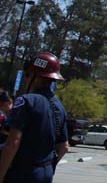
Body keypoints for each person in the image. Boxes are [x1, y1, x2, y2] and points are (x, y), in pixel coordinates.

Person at [0, 52, 68, 183]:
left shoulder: (26, 101)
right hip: (45, 173)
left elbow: (13, 143)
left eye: (27, 75)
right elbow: (64, 147)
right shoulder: (60, 107)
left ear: (36, 78)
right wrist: (47, 167)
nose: (25, 79)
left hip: (22, 173)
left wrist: (1, 175)